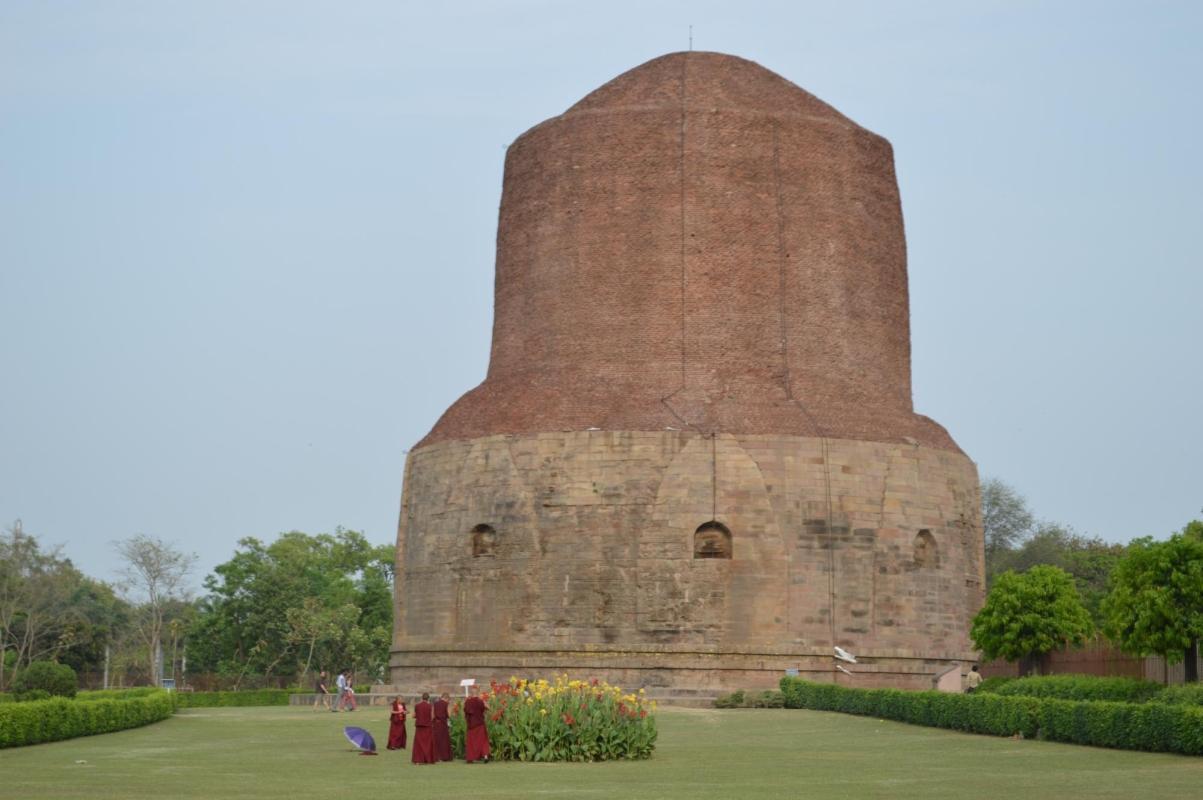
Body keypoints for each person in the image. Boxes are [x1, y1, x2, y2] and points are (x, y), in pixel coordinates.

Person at [463, 685, 491, 764]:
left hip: (471, 724)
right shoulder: (480, 701)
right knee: (483, 740)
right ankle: (485, 756)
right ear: (478, 692)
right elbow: (488, 708)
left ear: (471, 693)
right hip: (480, 723)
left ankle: (470, 758)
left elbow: (465, 711)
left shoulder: (468, 701)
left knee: (471, 742)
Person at [411, 693, 436, 764]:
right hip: (427, 727)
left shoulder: (417, 706)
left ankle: (418, 760)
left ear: (422, 698)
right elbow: (432, 717)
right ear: (428, 699)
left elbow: (413, 716)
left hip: (419, 727)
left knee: (419, 743)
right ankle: (428, 759)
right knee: (427, 743)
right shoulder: (430, 706)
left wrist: (419, 716)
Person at [432, 692, 452, 761]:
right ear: (446, 698)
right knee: (443, 740)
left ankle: (436, 756)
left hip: (436, 723)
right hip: (443, 724)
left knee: (436, 740)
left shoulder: (435, 704)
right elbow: (449, 714)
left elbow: (433, 715)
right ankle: (444, 756)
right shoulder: (446, 704)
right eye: (448, 699)